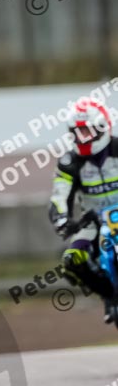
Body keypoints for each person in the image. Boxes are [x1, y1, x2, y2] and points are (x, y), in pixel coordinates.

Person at [49, 98, 118, 322]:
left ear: (101, 128)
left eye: (86, 132)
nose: (81, 139)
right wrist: (61, 218)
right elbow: (60, 194)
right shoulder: (70, 162)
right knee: (71, 259)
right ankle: (110, 297)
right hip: (94, 221)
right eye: (76, 133)